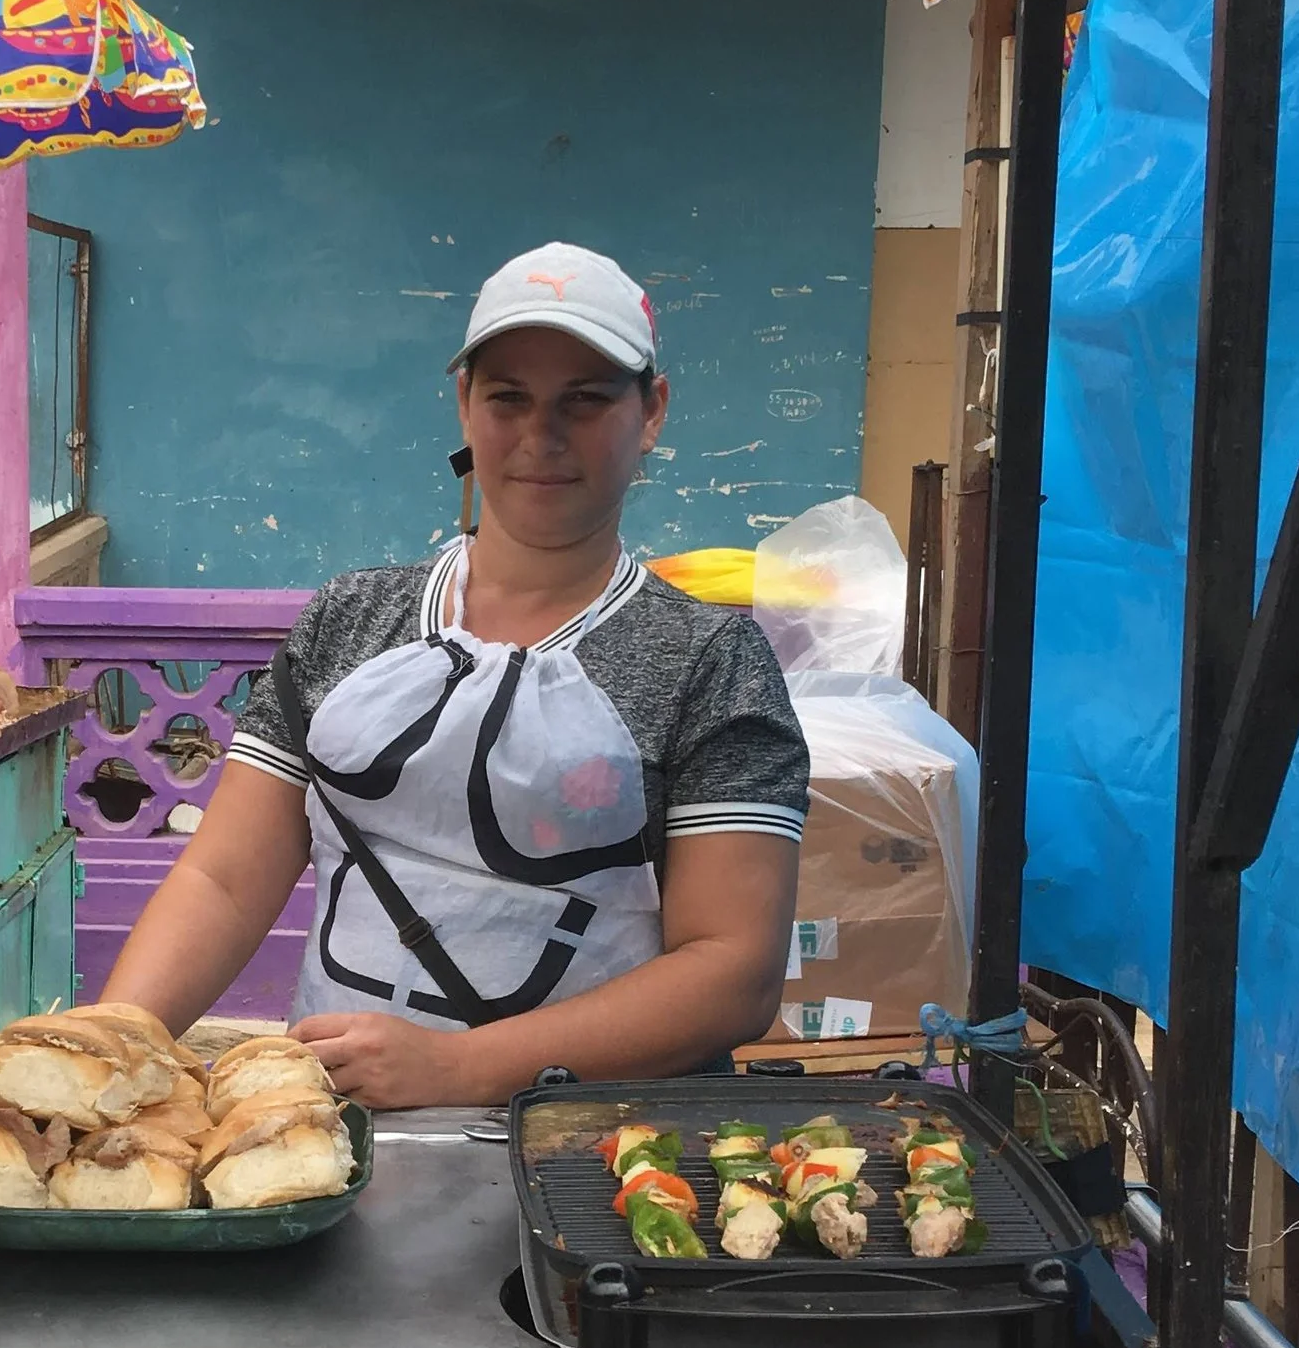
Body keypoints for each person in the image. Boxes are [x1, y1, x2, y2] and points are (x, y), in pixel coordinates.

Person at [101, 243, 808, 1109]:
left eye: (585, 399)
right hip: (332, 1129)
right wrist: (107, 1051)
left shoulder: (709, 663)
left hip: (600, 1148)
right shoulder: (348, 619)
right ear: (466, 403)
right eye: (509, 397)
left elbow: (733, 970)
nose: (542, 434)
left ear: (651, 410)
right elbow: (224, 880)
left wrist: (456, 1067)